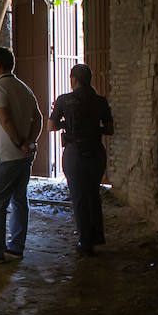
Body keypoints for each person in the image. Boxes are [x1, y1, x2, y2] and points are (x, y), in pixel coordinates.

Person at [0, 47, 43, 264]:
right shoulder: (24, 88)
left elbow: (4, 120)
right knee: (20, 200)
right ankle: (16, 249)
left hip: (5, 156)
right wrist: (30, 142)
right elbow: (38, 117)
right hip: (23, 158)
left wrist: (20, 142)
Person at [47, 63, 114, 256]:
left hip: (74, 153)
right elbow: (109, 129)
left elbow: (51, 126)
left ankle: (85, 243)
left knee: (79, 197)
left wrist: (66, 125)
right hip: (95, 152)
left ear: (74, 79)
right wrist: (93, 129)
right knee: (93, 193)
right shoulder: (100, 101)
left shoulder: (64, 100)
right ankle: (96, 236)